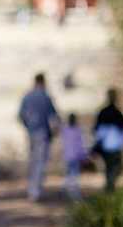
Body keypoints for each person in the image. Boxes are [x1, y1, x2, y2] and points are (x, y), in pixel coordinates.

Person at [18, 72, 60, 201]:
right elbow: (54, 118)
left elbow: (21, 115)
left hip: (31, 133)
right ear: (43, 82)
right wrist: (55, 132)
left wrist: (28, 127)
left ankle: (32, 189)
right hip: (42, 133)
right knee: (40, 162)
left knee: (32, 160)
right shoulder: (46, 97)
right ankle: (35, 190)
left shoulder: (27, 96)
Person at [94, 88, 123, 192]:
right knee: (114, 167)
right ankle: (110, 186)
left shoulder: (105, 112)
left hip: (108, 146)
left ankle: (109, 185)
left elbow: (96, 129)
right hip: (113, 146)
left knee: (111, 168)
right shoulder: (117, 113)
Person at [61, 113, 87, 200]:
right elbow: (80, 144)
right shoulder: (77, 130)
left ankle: (65, 189)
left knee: (69, 173)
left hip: (68, 155)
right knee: (74, 175)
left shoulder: (65, 130)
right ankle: (74, 193)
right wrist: (83, 155)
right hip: (75, 156)